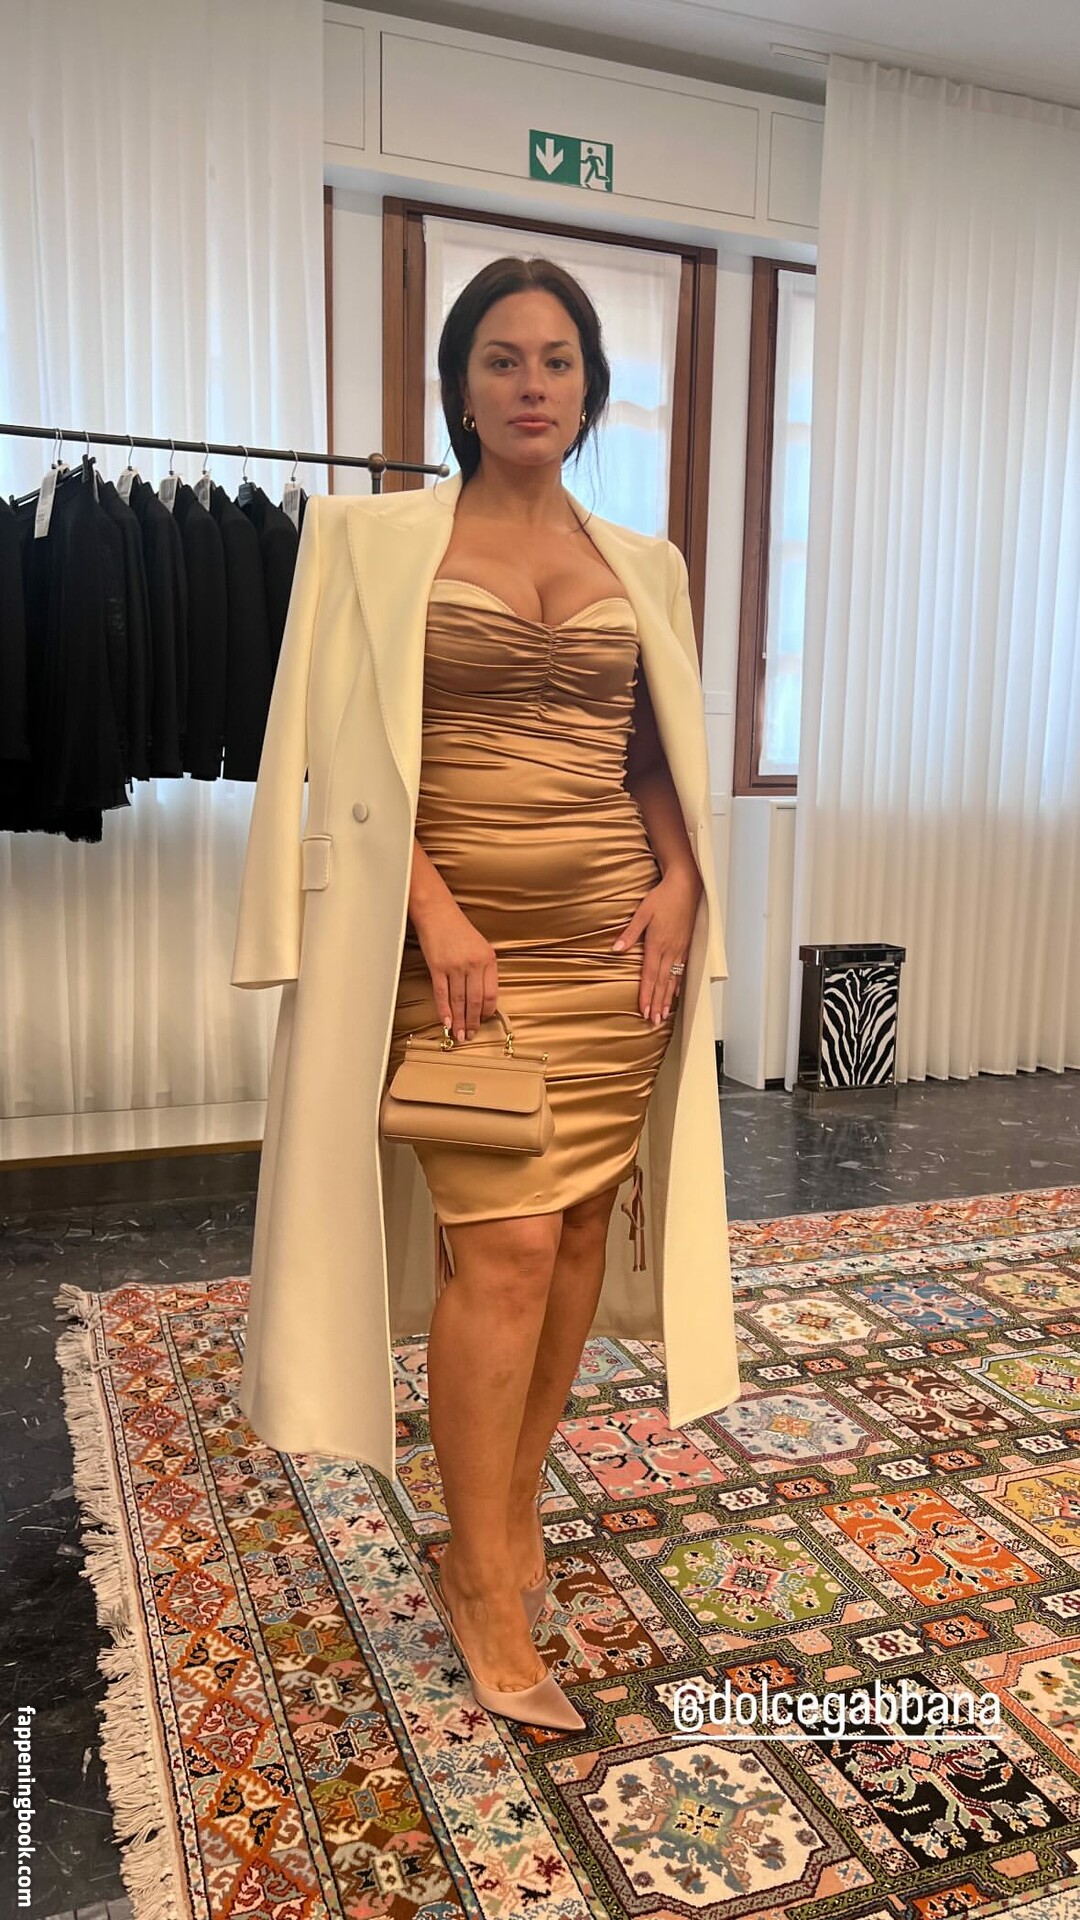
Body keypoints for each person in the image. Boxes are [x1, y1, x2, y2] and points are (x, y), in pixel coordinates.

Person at [382, 257, 712, 1731]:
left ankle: (508, 1510)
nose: (532, 385)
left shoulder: (645, 564)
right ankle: (480, 1577)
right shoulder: (381, 546)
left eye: (559, 360)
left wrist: (683, 879)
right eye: (504, 359)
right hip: (457, 958)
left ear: (590, 389)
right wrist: (436, 914)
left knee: (579, 1228)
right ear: (461, 385)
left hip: (607, 950)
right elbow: (344, 753)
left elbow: (654, 758)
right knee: (505, 1244)